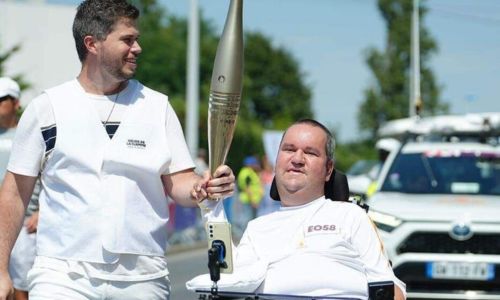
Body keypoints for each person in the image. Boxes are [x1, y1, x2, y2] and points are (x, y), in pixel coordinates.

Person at [0, 1, 234, 300]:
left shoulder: (157, 107)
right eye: (127, 39)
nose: (137, 48)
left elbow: (180, 182)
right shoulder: (47, 108)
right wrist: (1, 268)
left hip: (142, 276)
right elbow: (14, 193)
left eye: (136, 39)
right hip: (63, 274)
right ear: (92, 43)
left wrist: (203, 186)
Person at [188, 119, 406, 299]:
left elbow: (393, 291)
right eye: (289, 149)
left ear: (328, 169)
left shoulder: (350, 216)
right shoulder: (258, 228)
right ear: (277, 161)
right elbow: (229, 276)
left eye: (310, 153)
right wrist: (211, 206)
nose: (297, 159)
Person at [0, 77, 40, 300]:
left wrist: (41, 210)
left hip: (24, 223)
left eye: (1, 99)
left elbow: (49, 175)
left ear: (15, 103)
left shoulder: (30, 134)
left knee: (23, 285)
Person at [237, 155, 264, 220]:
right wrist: (252, 200)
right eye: (254, 163)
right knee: (248, 220)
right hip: (248, 200)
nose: (256, 165)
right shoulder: (247, 173)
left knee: (250, 219)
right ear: (250, 164)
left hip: (250, 200)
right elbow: (247, 188)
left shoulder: (248, 172)